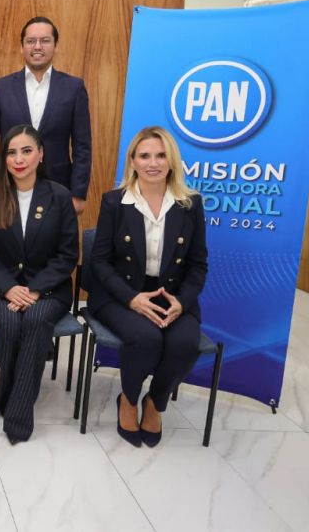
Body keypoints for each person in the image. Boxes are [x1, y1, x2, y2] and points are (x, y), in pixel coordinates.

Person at [89, 126, 208, 448]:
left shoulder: (191, 205)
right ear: (132, 161)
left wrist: (182, 302)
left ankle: (155, 402)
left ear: (172, 161)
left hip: (172, 295)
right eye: (144, 156)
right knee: (145, 338)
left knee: (185, 344)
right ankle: (128, 398)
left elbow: (198, 264)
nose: (152, 163)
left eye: (160, 155)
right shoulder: (115, 202)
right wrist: (132, 300)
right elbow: (99, 261)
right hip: (121, 293)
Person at [0, 124, 78, 445]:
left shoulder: (59, 197)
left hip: (48, 289)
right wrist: (8, 288)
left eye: (26, 151)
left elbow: (67, 254)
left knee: (33, 319)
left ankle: (16, 412)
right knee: (6, 323)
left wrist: (33, 290)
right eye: (11, 152)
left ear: (41, 154)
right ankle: (19, 388)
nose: (19, 159)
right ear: (4, 158)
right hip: (0, 288)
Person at [0, 16, 92, 215]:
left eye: (45, 41)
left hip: (59, 190)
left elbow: (82, 146)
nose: (37, 46)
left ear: (56, 46)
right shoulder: (0, 88)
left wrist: (78, 194)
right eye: (31, 41)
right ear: (22, 47)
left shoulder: (74, 88)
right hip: (8, 189)